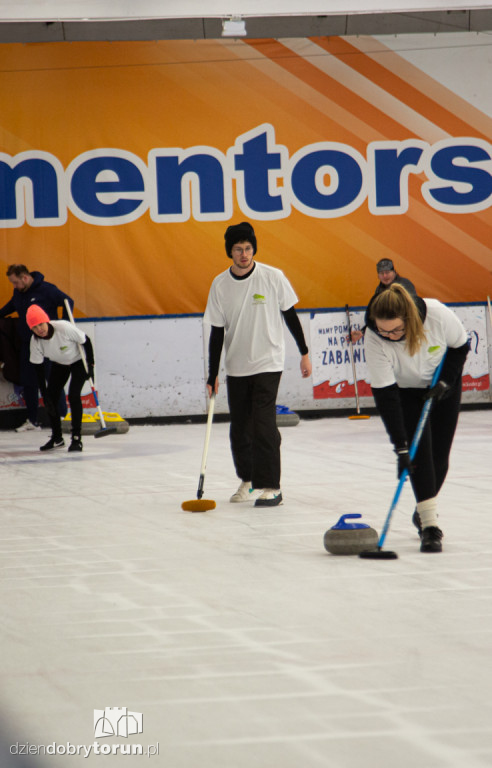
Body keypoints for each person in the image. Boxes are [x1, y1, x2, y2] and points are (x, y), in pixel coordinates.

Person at [204, 221, 312, 507]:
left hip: (268, 362)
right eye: (238, 249)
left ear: (254, 249)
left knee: (263, 425)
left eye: (248, 248)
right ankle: (249, 480)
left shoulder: (273, 277)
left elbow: (290, 315)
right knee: (240, 428)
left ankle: (272, 486)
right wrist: (212, 373)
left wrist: (304, 352)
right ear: (230, 252)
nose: (244, 254)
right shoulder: (220, 285)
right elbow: (217, 332)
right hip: (237, 366)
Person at [364, 283, 469, 553]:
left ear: (409, 320)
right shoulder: (374, 338)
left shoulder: (437, 315)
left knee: (439, 459)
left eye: (396, 330)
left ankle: (422, 507)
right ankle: (430, 526)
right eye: (382, 330)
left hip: (442, 385)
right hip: (404, 392)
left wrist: (446, 382)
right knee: (418, 457)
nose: (389, 336)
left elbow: (460, 347)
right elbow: (386, 397)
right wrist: (400, 446)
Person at [0, 265, 74, 431]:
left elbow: (68, 301)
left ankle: (63, 417)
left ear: (25, 278)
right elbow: (12, 306)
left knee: (53, 380)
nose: (14, 286)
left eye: (15, 282)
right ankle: (32, 421)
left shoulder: (47, 290)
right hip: (28, 343)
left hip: (48, 343)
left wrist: (64, 324)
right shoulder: (19, 293)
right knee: (29, 382)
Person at [26, 304, 94, 453]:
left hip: (78, 361)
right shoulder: (35, 341)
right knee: (51, 399)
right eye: (35, 328)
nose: (40, 330)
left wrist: (91, 365)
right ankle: (57, 438)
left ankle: (76, 438)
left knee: (74, 395)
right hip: (59, 364)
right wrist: (44, 394)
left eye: (41, 324)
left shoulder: (63, 328)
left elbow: (86, 341)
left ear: (47, 321)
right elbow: (39, 369)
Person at [350, 259, 417, 343]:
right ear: (378, 276)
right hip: (388, 338)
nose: (385, 276)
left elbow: (413, 310)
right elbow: (376, 316)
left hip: (406, 337)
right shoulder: (379, 291)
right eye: (382, 273)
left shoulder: (405, 285)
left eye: (387, 272)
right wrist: (363, 331)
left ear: (394, 272)